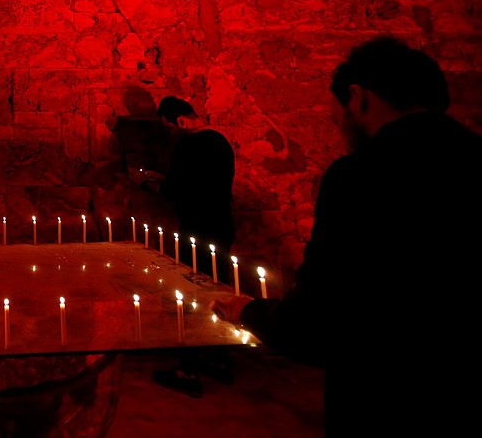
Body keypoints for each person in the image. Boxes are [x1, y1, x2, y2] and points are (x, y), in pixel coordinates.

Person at [210, 36, 481, 434]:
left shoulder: (361, 177)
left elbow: (319, 321)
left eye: (335, 117)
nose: (339, 129)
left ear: (358, 98)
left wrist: (248, 312)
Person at [143, 96, 236, 397]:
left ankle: (188, 369)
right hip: (222, 226)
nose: (172, 133)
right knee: (220, 292)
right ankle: (221, 359)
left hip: (197, 229)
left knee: (194, 296)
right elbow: (204, 182)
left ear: (180, 122)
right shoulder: (221, 142)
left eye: (170, 127)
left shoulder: (187, 145)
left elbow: (176, 190)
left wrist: (149, 184)